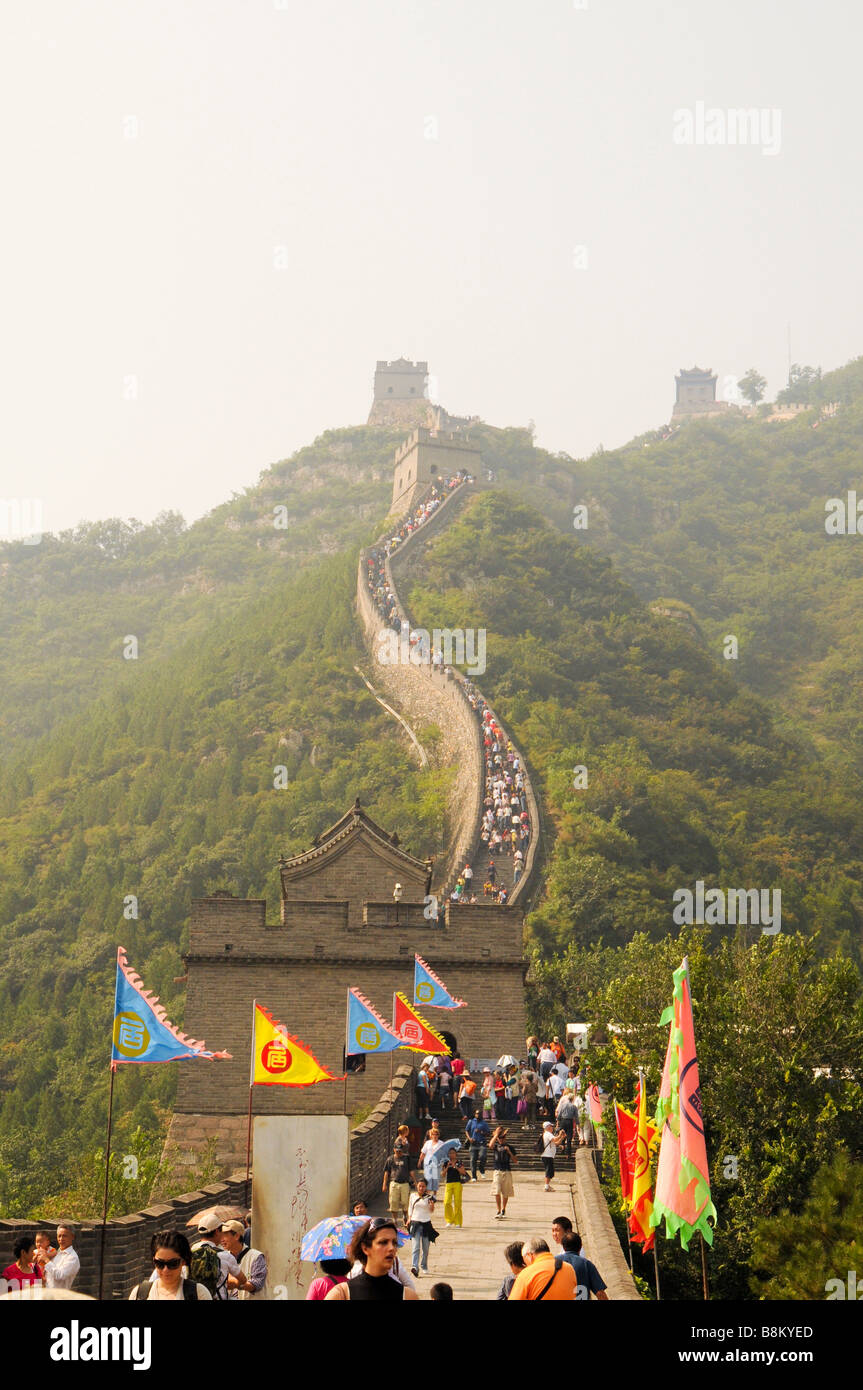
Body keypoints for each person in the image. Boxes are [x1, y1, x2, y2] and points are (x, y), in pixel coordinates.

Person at [325, 1218, 418, 1301]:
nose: (391, 1248)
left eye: (394, 1243)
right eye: (383, 1242)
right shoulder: (341, 1294)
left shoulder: (408, 1296)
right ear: (365, 1248)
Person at [130, 1231, 213, 1300]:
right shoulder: (140, 1294)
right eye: (160, 1263)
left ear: (183, 1261)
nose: (165, 1270)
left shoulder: (198, 1293)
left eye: (173, 1264)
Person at [508, 1238, 577, 1301]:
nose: (525, 1264)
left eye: (524, 1260)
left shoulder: (526, 1274)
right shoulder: (569, 1268)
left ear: (529, 1256)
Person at [192, 1213, 241, 1299]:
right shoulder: (225, 1255)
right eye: (221, 1230)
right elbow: (242, 1280)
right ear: (217, 1232)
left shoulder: (190, 1252)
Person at [553, 1225, 609, 1300]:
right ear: (580, 1246)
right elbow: (600, 1293)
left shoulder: (552, 1262)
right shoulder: (587, 1264)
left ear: (563, 1247)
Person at [220, 1220, 267, 1299]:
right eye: (220, 1235)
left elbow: (258, 1283)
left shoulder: (256, 1256)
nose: (222, 1239)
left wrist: (237, 1284)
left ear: (236, 1236)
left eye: (225, 1235)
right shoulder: (223, 1257)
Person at [407, 1178, 436, 1276]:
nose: (421, 1188)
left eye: (423, 1186)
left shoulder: (429, 1197)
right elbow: (410, 1208)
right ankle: (415, 1266)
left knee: (425, 1248)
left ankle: (424, 1265)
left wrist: (431, 1205)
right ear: (417, 1186)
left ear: (426, 1187)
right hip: (415, 1224)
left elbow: (431, 1211)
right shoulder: (412, 1196)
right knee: (416, 1247)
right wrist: (409, 1219)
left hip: (426, 1224)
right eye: (419, 1186)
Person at [382, 1143, 414, 1225]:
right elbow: (386, 1172)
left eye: (400, 1151)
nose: (398, 1153)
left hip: (405, 1183)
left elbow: (411, 1171)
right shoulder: (390, 1159)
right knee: (393, 1202)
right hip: (394, 1182)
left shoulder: (406, 1158)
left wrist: (415, 1181)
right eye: (397, 1151)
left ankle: (405, 1216)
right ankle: (395, 1220)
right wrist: (384, 1184)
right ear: (394, 1150)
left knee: (405, 1202)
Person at [489, 1126, 517, 1218]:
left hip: (507, 1171)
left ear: (505, 1138)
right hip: (497, 1171)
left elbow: (515, 1160)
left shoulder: (510, 1147)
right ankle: (498, 1210)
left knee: (506, 1192)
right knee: (496, 1191)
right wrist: (496, 1135)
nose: (500, 1140)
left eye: (502, 1138)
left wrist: (509, 1152)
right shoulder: (496, 1146)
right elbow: (490, 1145)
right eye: (499, 1138)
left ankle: (503, 1209)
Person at [43, 1223, 79, 1291]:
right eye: (59, 1236)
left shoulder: (72, 1257)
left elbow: (60, 1276)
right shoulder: (55, 1253)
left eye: (65, 1236)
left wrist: (46, 1260)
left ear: (72, 1237)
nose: (61, 1239)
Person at [443, 1153, 467, 1227]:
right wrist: (447, 1167)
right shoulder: (446, 1162)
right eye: (450, 1153)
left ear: (455, 1154)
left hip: (457, 1183)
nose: (451, 1154)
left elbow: (463, 1172)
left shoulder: (459, 1162)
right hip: (448, 1183)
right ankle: (449, 1220)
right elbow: (443, 1174)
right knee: (446, 1202)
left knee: (457, 1203)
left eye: (453, 1153)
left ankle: (458, 1222)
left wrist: (456, 1167)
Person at [541, 1121, 565, 1191]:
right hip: (547, 1155)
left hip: (549, 1155)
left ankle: (547, 1185)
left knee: (550, 1171)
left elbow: (556, 1143)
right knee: (548, 1171)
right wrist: (560, 1135)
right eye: (551, 1126)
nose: (552, 1128)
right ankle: (546, 1186)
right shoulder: (548, 1134)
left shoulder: (548, 1134)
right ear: (547, 1127)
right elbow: (555, 1139)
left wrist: (562, 1138)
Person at [466, 1110, 490, 1180]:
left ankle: (481, 1168)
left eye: (479, 1114)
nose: (478, 1115)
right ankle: (474, 1176)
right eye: (476, 1113)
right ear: (475, 1114)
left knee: (483, 1156)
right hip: (473, 1143)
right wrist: (469, 1138)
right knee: (473, 1160)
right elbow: (466, 1130)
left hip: (482, 1143)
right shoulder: (471, 1121)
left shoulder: (484, 1123)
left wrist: (481, 1132)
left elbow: (488, 1133)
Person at [555, 1091, 578, 1158]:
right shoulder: (574, 1106)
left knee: (562, 1134)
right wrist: (578, 1124)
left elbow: (559, 1114)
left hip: (563, 1121)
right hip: (570, 1121)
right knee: (569, 1137)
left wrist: (558, 1121)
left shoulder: (563, 1105)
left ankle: (562, 1148)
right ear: (572, 1099)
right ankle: (568, 1153)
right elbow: (576, 1116)